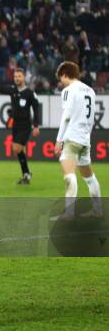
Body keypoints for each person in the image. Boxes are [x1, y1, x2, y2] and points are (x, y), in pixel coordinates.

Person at [52, 61, 102, 220]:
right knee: (89, 176)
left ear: (65, 74)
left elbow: (66, 117)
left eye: (61, 79)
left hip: (72, 136)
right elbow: (92, 117)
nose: (61, 83)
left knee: (68, 174)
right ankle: (97, 210)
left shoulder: (68, 90)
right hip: (85, 138)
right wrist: (86, 134)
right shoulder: (90, 91)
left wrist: (59, 140)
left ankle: (69, 213)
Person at [0, 68, 40, 184]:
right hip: (15, 125)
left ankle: (26, 174)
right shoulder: (13, 90)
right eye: (15, 77)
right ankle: (26, 174)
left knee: (17, 148)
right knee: (17, 150)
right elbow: (0, 89)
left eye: (19, 76)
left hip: (25, 125)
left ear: (24, 77)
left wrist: (36, 125)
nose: (17, 78)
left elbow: (36, 109)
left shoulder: (29, 93)